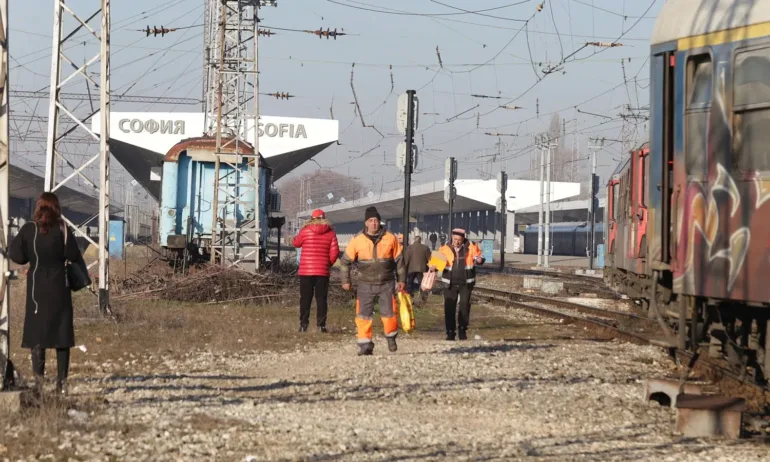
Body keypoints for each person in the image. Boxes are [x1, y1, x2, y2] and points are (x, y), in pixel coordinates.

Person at [9, 192, 85, 395]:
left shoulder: (29, 229)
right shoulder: (62, 228)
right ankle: (62, 384)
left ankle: (39, 383)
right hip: (59, 287)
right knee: (62, 336)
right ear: (56, 208)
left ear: (38, 208)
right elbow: (73, 255)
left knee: (37, 336)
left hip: (36, 291)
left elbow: (17, 255)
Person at [340, 206, 406, 356]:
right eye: (371, 221)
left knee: (389, 314)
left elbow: (400, 261)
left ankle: (390, 337)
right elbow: (345, 262)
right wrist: (346, 280)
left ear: (379, 222)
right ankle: (365, 345)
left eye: (376, 221)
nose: (374, 224)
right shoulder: (357, 240)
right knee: (363, 315)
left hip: (386, 283)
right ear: (366, 223)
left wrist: (401, 280)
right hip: (365, 284)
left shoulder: (390, 238)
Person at [292, 209, 340, 333]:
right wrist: (327, 264)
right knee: (321, 299)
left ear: (312, 218)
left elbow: (296, 244)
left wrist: (295, 237)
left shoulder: (305, 231)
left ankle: (303, 325)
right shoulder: (331, 233)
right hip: (322, 272)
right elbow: (335, 252)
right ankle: (321, 326)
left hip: (306, 271)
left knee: (305, 299)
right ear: (324, 217)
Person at [436, 228, 485, 341]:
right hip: (449, 283)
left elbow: (481, 258)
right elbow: (436, 263)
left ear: (463, 238)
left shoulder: (472, 246)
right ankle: (450, 332)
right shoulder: (444, 248)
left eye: (459, 239)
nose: (457, 242)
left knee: (464, 306)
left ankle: (462, 330)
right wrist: (433, 267)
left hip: (466, 283)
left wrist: (479, 260)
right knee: (449, 308)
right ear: (452, 237)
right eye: (455, 239)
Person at [403, 236, 431, 301]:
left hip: (411, 268)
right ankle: (424, 296)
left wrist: (405, 268)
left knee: (410, 282)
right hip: (422, 268)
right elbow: (429, 259)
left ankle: (409, 295)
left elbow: (406, 259)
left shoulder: (409, 248)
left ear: (414, 240)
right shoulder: (425, 248)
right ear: (420, 240)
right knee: (422, 283)